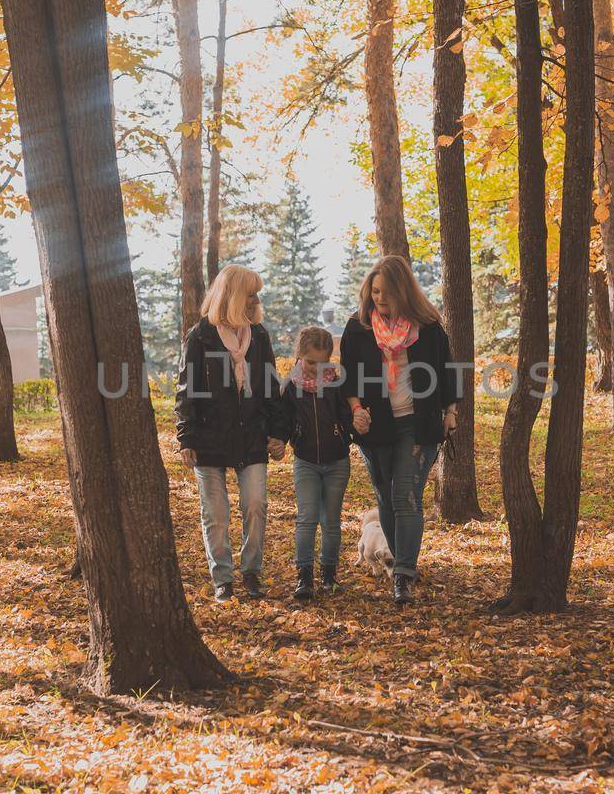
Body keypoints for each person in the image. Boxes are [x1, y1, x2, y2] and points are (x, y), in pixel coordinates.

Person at [339, 255, 458, 605]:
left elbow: (447, 370)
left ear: (403, 292)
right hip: (376, 425)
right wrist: (356, 410)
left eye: (387, 293)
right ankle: (397, 561)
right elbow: (348, 378)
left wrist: (451, 411)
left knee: (406, 495)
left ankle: (403, 574)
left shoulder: (428, 327)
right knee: (385, 496)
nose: (380, 299)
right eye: (375, 292)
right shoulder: (358, 328)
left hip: (417, 424)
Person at [174, 265, 287, 601]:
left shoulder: (259, 335)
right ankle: (222, 578)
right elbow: (186, 390)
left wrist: (278, 432)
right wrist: (186, 437)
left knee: (255, 504)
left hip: (251, 434)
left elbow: (270, 387)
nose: (256, 299)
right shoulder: (200, 336)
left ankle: (251, 572)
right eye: (250, 293)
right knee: (216, 513)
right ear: (234, 296)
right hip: (209, 437)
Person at [280, 326, 362, 600]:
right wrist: (279, 439)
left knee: (331, 521)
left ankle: (329, 575)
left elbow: (347, 418)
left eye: (322, 362)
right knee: (306, 518)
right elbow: (284, 421)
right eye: (310, 362)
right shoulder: (290, 388)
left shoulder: (337, 385)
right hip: (305, 461)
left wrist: (354, 427)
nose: (316, 368)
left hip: (337, 461)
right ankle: (304, 577)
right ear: (300, 356)